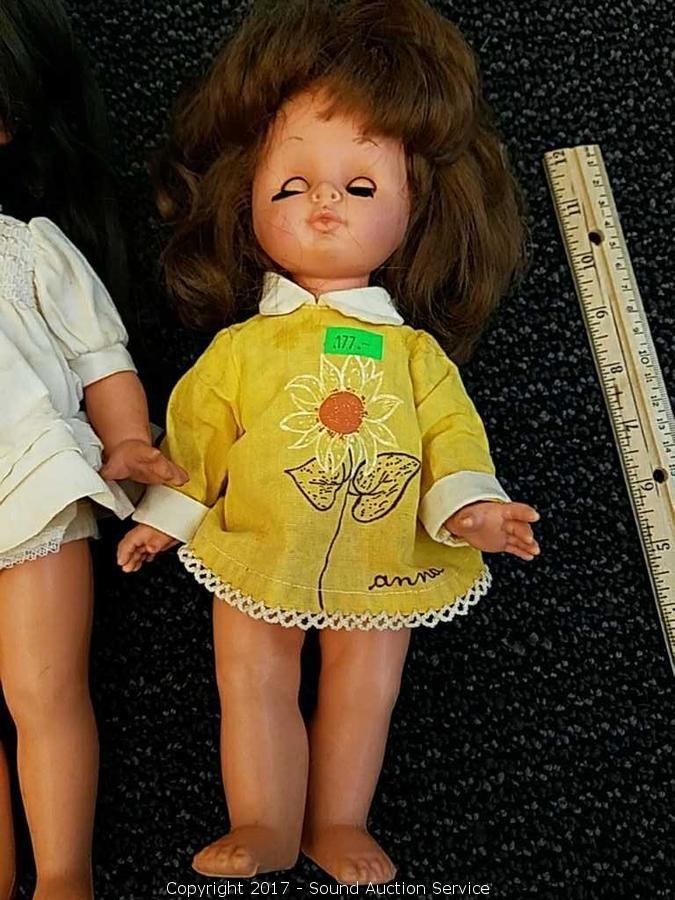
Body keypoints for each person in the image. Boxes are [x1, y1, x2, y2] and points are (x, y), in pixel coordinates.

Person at [118, 0, 541, 886]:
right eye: (289, 186)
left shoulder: (413, 355)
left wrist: (472, 507)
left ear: (417, 209)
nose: (321, 205)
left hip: (386, 546)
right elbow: (198, 436)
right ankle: (265, 821)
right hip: (256, 542)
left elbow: (451, 436)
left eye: (360, 188)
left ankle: (339, 820)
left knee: (365, 685)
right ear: (244, 195)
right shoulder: (239, 350)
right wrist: (165, 515)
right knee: (250, 677)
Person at [0, 1, 186, 897]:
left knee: (46, 691)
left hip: (33, 475)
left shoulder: (29, 249)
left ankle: (64, 876)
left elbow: (99, 357)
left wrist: (128, 438)